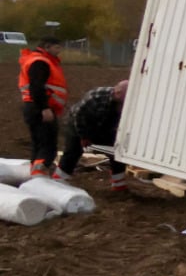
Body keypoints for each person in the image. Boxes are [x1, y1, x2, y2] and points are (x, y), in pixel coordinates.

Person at [52, 80, 130, 191]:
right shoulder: (95, 97)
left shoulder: (125, 101)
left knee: (116, 151)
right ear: (117, 93)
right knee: (73, 151)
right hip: (80, 124)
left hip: (104, 127)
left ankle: (119, 184)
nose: (122, 105)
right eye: (121, 102)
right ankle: (58, 180)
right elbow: (78, 116)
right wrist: (83, 136)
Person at [18, 36, 68, 176]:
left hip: (33, 106)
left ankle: (35, 172)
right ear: (47, 47)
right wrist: (44, 108)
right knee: (48, 144)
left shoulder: (37, 60)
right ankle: (39, 175)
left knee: (39, 143)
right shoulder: (40, 62)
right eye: (57, 47)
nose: (59, 50)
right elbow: (37, 87)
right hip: (40, 107)